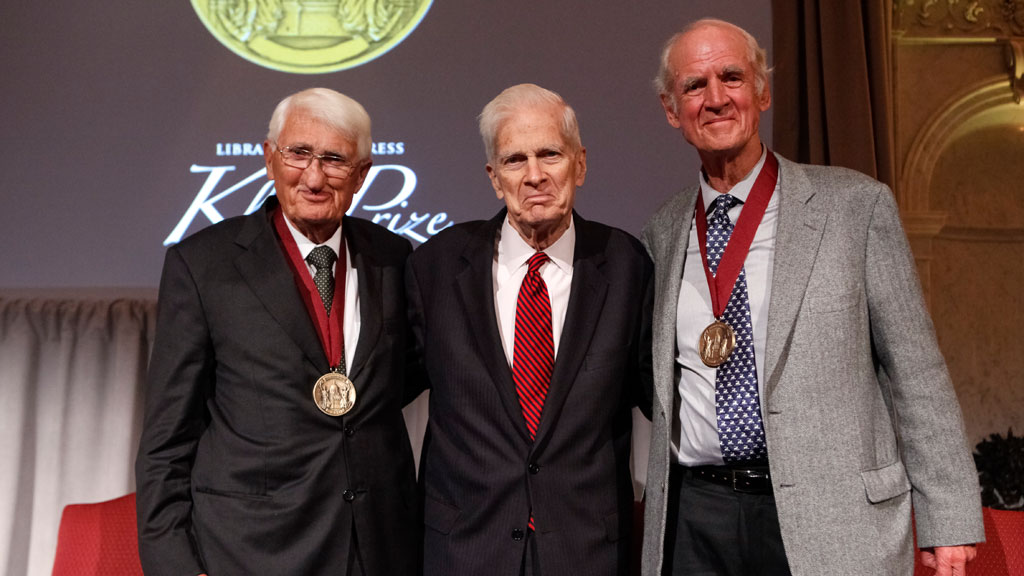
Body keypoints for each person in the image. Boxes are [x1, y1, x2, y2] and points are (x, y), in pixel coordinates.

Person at [639, 19, 984, 576]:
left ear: (764, 92)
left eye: (732, 77)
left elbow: (914, 370)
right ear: (671, 109)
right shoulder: (664, 229)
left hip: (832, 514)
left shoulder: (854, 206)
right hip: (695, 517)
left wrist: (948, 516)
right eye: (694, 86)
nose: (717, 98)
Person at [136, 87, 418, 576]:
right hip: (253, 552)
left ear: (361, 175)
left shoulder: (395, 258)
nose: (313, 176)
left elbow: (402, 381)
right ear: (269, 159)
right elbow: (167, 439)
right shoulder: (203, 264)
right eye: (298, 153)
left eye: (334, 159)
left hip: (378, 547)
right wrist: (174, 565)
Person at [406, 83, 653, 576]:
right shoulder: (434, 267)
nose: (535, 175)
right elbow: (382, 395)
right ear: (494, 178)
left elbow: (660, 400)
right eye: (515, 160)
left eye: (550, 154)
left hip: (588, 552)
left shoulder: (626, 265)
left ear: (580, 164)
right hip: (466, 550)